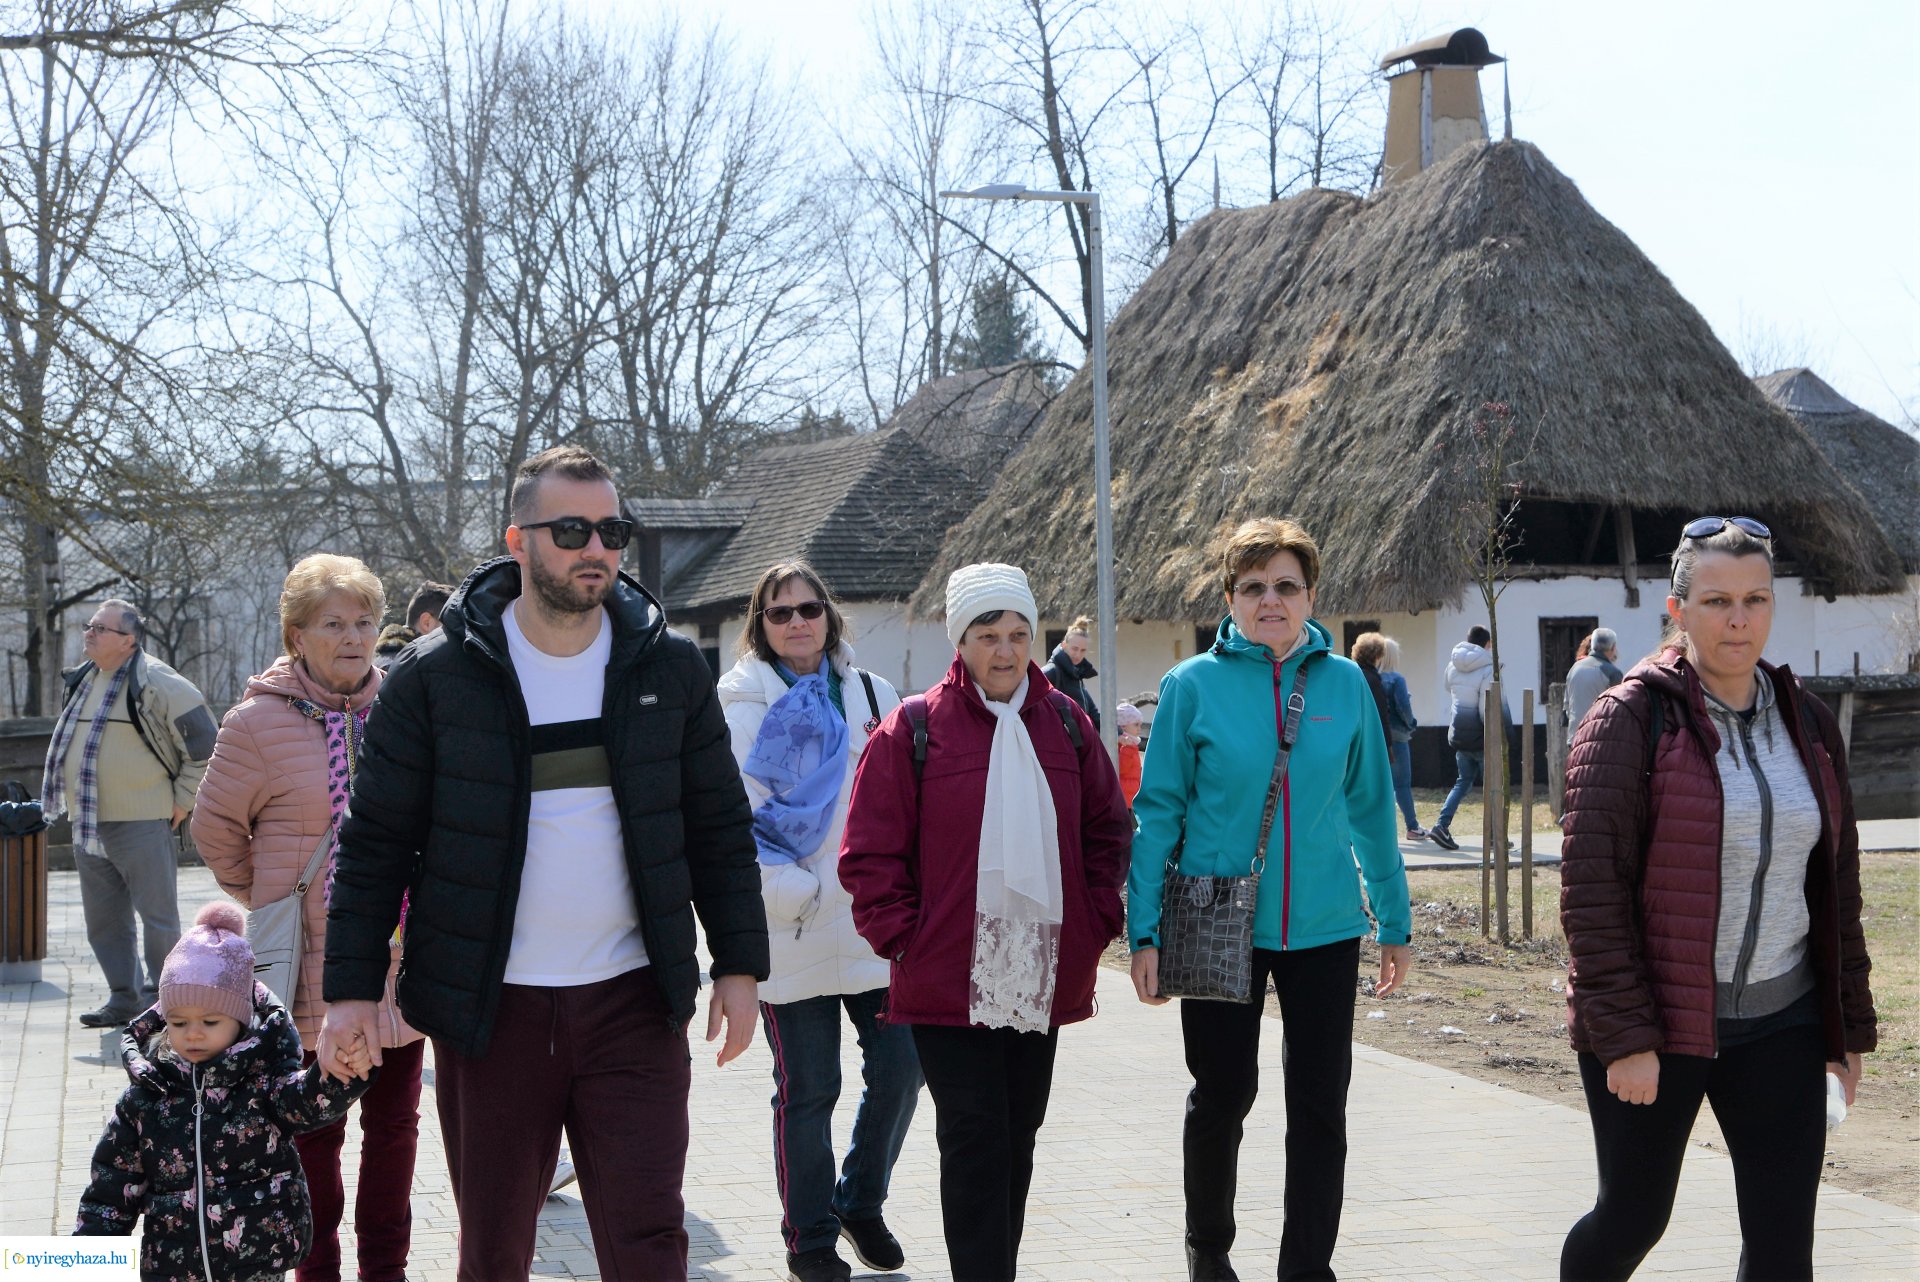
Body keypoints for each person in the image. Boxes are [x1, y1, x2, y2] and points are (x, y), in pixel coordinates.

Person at [319, 444, 767, 1281]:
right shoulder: (434, 678)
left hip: (635, 1003)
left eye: (612, 530)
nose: (596, 548)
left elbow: (717, 825)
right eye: (572, 530)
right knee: (494, 1255)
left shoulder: (668, 667)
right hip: (491, 1016)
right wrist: (347, 993)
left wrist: (740, 966)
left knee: (648, 1245)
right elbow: (376, 841)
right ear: (518, 541)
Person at [1559, 516, 1876, 1281]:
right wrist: (1626, 1035)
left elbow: (1839, 884)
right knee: (1631, 1220)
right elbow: (1590, 893)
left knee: (1780, 1246)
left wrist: (1847, 1029)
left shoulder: (1810, 722)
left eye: (1755, 599)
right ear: (1677, 609)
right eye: (1716, 601)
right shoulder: (1630, 718)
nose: (1738, 618)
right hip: (1659, 1023)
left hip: (1784, 1022)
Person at [1127, 518, 1412, 1282]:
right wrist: (1143, 931)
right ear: (1230, 599)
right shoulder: (1192, 687)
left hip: (1324, 926)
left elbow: (1370, 806)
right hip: (1219, 923)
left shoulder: (1346, 684)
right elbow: (1158, 813)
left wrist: (1394, 918)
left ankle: (1306, 1266)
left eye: (1286, 586)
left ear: (1311, 595)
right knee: (1224, 1093)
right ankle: (1208, 1248)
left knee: (1321, 1106)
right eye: (1253, 587)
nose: (1271, 600)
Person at [840, 562, 1131, 1282]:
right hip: (947, 976)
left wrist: (1095, 919)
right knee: (973, 1137)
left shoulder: (1065, 721)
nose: (1005, 651)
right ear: (959, 641)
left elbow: (1108, 830)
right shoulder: (911, 730)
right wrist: (906, 939)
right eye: (987, 634)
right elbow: (868, 854)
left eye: (1018, 634)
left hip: (1041, 964)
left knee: (1018, 1136)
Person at [192, 554, 425, 1282]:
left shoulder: (408, 706)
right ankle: (314, 1269)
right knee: (314, 1133)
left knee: (394, 1129)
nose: (353, 638)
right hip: (306, 971)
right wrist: (275, 895)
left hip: (398, 960)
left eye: (363, 622)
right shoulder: (254, 723)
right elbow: (213, 831)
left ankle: (384, 1269)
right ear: (298, 635)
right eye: (334, 624)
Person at [717, 560, 920, 1282]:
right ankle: (808, 1239)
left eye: (809, 607)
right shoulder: (741, 701)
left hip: (871, 919)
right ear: (760, 625)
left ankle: (860, 1201)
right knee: (810, 1089)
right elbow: (736, 813)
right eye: (780, 613)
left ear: (829, 614)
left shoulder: (875, 693)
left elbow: (905, 799)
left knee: (903, 1069)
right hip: (789, 922)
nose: (798, 621)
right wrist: (789, 890)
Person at [74, 902, 374, 1280]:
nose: (193, 1033)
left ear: (241, 1020)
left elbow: (308, 1102)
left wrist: (342, 1072)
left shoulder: (262, 1083)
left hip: (256, 1259)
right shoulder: (145, 1098)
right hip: (173, 1266)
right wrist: (86, 1260)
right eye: (179, 1022)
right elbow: (110, 1191)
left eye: (210, 1021)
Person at [42, 598, 216, 1028]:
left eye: (101, 628)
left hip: (143, 820)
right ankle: (124, 998)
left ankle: (168, 1003)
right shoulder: (83, 679)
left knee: (158, 919)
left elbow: (208, 747)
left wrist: (181, 801)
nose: (89, 633)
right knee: (104, 922)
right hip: (88, 822)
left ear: (129, 640)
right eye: (89, 626)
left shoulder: (158, 681)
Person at [1429, 624, 1503, 852]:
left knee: (1463, 782)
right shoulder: (1489, 667)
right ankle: (1494, 835)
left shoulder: (1453, 665)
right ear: (1487, 644)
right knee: (1493, 785)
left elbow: (1447, 687)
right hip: (1481, 734)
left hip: (1458, 731)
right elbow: (1486, 704)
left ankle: (1441, 825)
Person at [1355, 632, 1425, 841]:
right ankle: (1412, 826)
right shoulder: (1395, 679)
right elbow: (1403, 708)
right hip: (1395, 737)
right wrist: (1411, 724)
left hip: (1370, 737)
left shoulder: (1362, 676)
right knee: (1401, 784)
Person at [1040, 614, 1101, 731]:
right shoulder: (1050, 672)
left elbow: (1093, 713)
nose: (1078, 655)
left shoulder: (1077, 675)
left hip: (1076, 745)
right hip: (1057, 744)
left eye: (1083, 650)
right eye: (1074, 648)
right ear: (1064, 645)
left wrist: (1119, 733)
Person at [1564, 626, 1624, 731]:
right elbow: (1619, 710)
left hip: (1575, 737)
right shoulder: (1613, 673)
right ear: (1613, 647)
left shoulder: (1574, 668)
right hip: (1599, 736)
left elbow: (1567, 707)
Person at [1116, 701, 1145, 808]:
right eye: (1136, 724)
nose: (1139, 728)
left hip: (1130, 795)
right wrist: (1128, 748)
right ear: (1123, 726)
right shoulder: (1124, 744)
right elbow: (1122, 768)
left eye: (1140, 725)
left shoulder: (1132, 743)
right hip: (1124, 797)